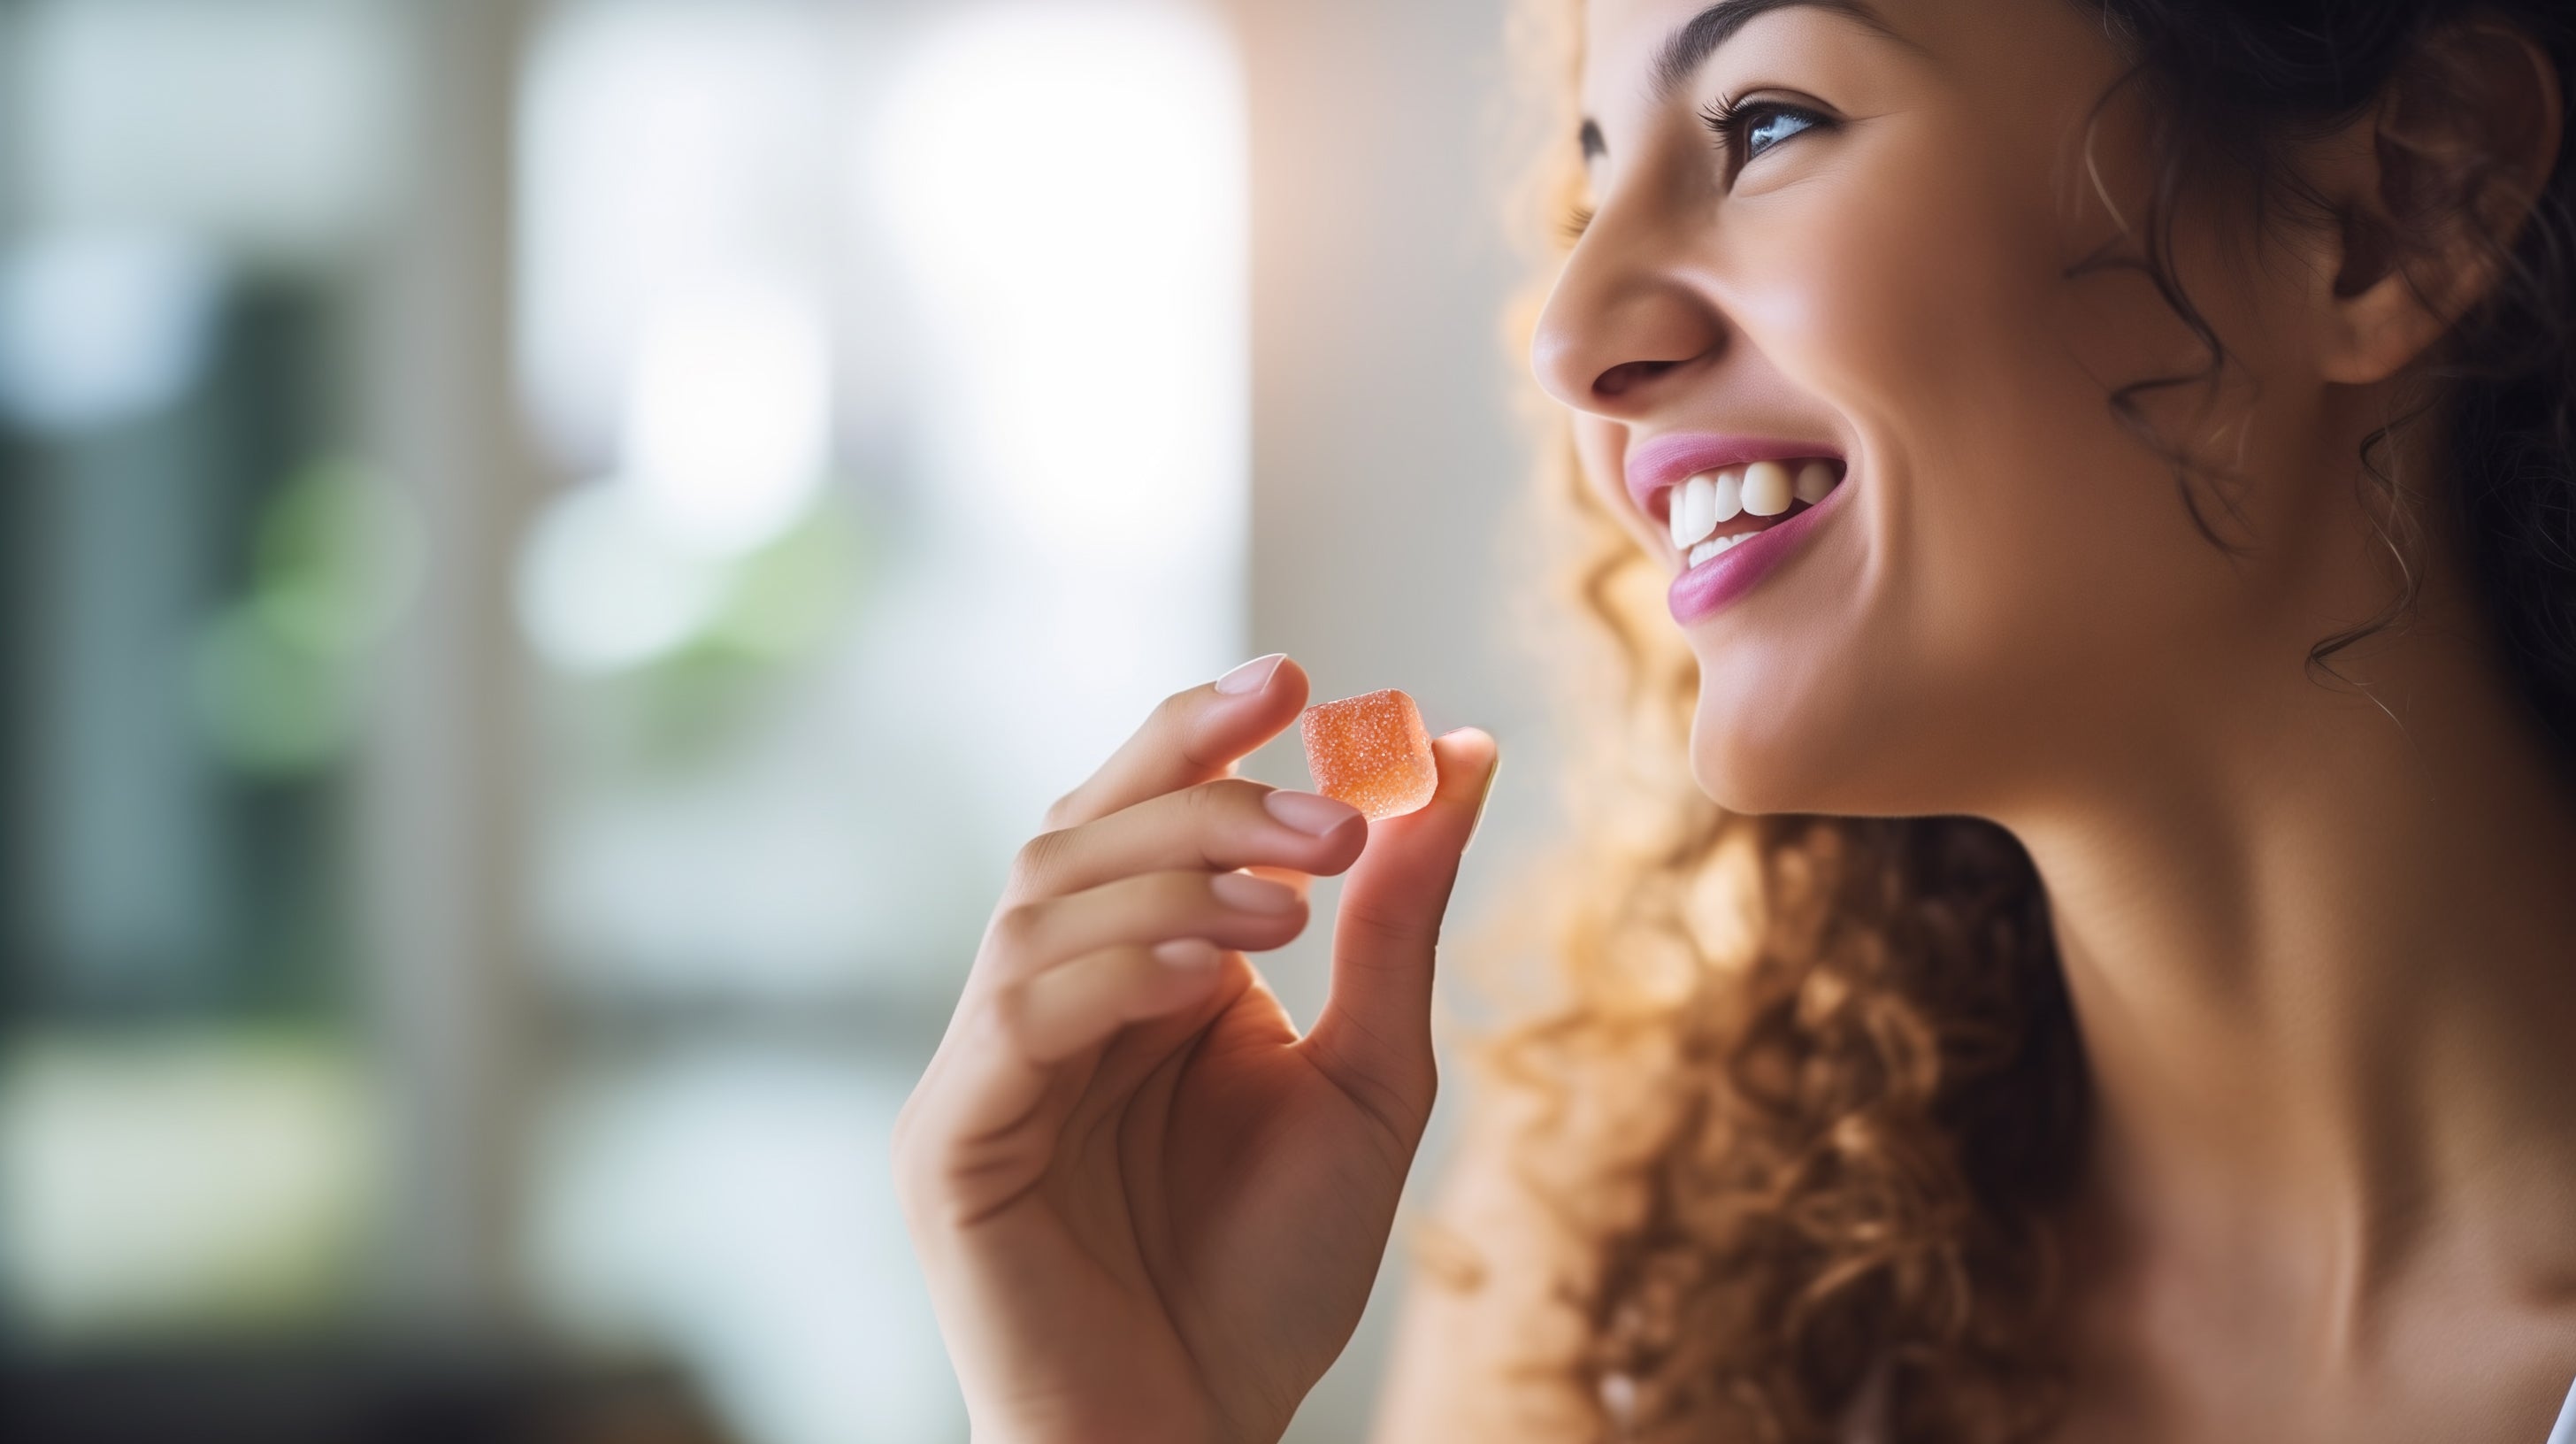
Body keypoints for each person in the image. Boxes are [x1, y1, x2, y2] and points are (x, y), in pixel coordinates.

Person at [894, 0, 2576, 1438]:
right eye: (1585, 187)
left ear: (2399, 211)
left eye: (1768, 120)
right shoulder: (1607, 1304)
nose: (1568, 341)